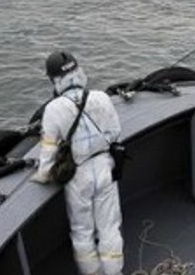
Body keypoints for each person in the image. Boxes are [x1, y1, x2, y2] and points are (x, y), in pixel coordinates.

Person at [32, 51, 124, 275]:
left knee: (82, 232)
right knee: (110, 228)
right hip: (105, 167)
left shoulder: (53, 109)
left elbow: (48, 151)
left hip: (78, 175)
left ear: (54, 80)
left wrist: (43, 174)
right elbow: (115, 133)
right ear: (78, 71)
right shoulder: (101, 98)